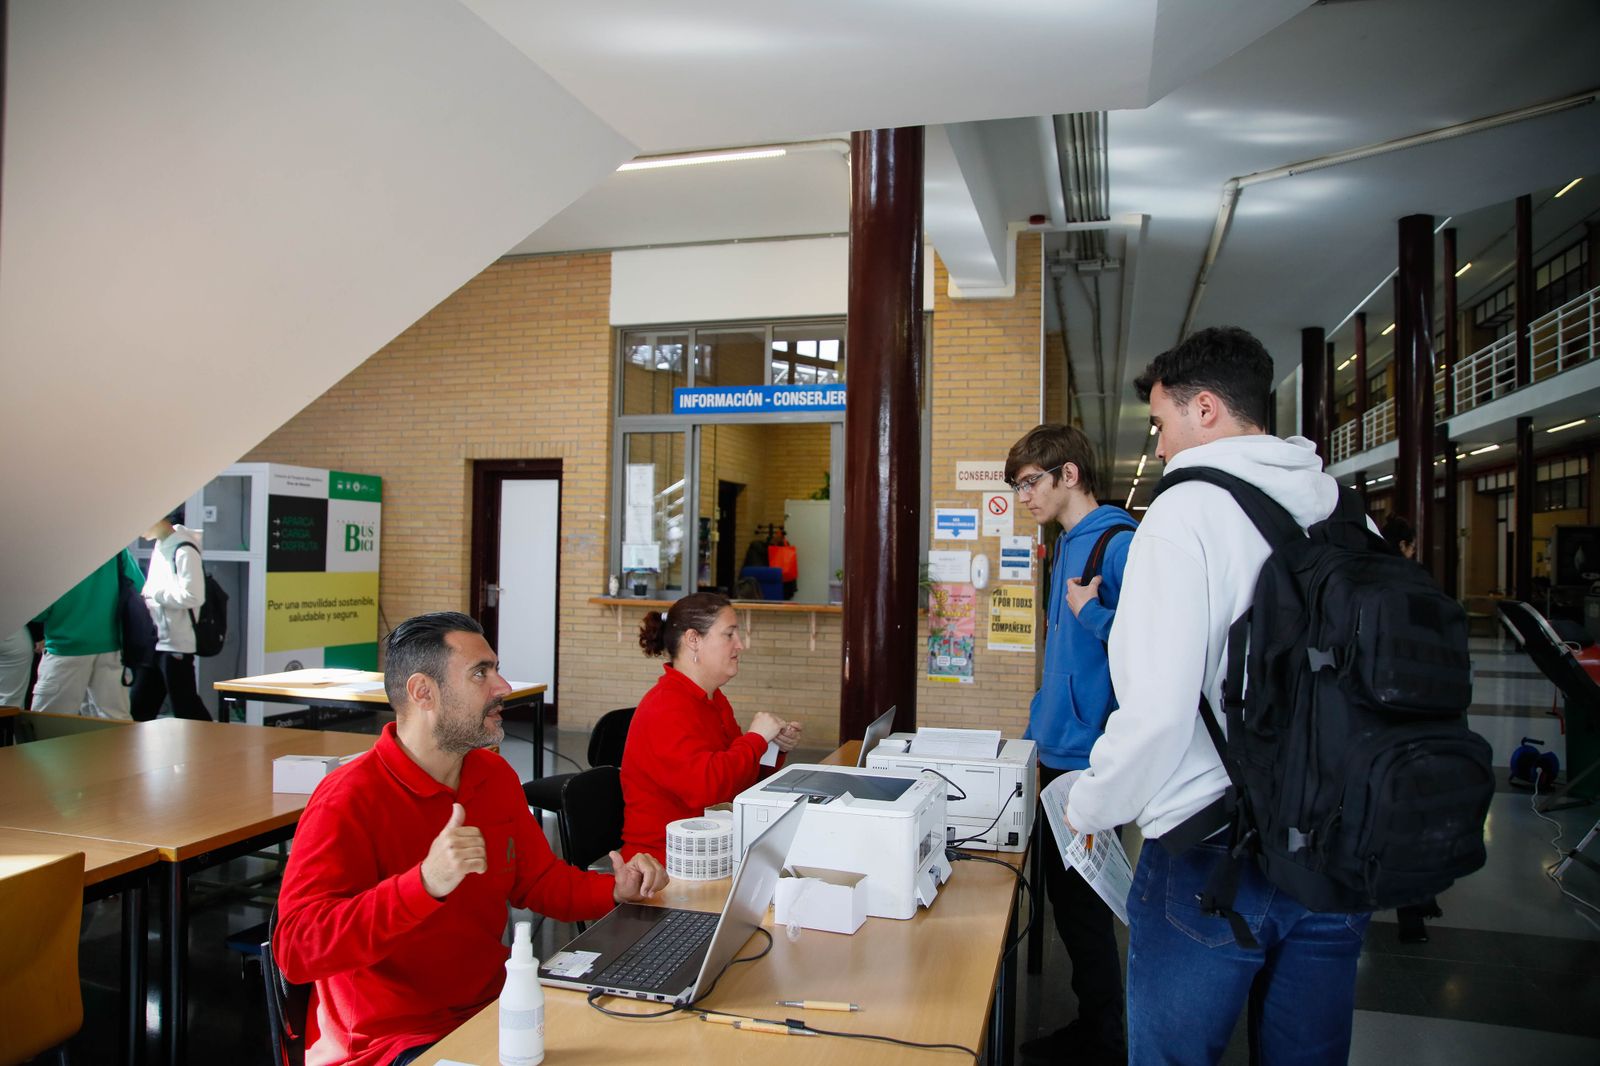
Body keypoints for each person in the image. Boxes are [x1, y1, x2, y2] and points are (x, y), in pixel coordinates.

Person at [1066, 326, 1370, 1065]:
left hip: (1215, 853)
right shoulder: (1341, 509)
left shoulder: (1184, 512)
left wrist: (1090, 805)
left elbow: (1159, 709)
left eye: (1163, 424)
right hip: (1339, 842)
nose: (1160, 447)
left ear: (1205, 410)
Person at [274, 612, 668, 1066]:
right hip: (391, 1043)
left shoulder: (492, 774)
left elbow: (538, 882)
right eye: (481, 673)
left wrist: (615, 890)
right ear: (423, 692)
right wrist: (422, 884)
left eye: (495, 669)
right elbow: (296, 950)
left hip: (493, 1010)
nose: (502, 686)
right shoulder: (348, 797)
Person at [1004, 423, 1133, 1065]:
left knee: (1084, 909)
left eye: (1031, 482)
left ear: (1068, 475)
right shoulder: (1063, 546)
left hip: (1087, 760)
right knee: (1067, 904)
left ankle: (1103, 1039)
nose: (1024, 497)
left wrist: (1092, 613)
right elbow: (1061, 660)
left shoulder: (1115, 542)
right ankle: (1094, 1025)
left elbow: (1151, 647)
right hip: (1053, 751)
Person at [620, 592, 801, 861]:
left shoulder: (712, 697)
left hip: (707, 847)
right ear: (693, 640)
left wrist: (770, 746)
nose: (740, 645)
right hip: (664, 863)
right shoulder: (665, 707)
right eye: (729, 635)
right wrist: (755, 739)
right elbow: (709, 791)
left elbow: (737, 779)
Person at [1378, 513, 1446, 944]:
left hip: (1374, 708)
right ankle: (1414, 906)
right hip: (1419, 707)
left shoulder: (1360, 576)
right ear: (1407, 545)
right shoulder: (1420, 583)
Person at [31, 550, 146, 718]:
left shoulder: (54, 551)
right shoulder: (115, 548)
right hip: (112, 646)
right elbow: (138, 585)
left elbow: (38, 611)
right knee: (114, 720)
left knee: (49, 723)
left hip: (66, 646)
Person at [130, 511, 212, 721]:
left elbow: (194, 596)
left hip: (176, 643)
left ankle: (211, 746)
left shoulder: (183, 549)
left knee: (186, 707)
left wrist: (154, 594)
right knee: (140, 708)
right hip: (156, 640)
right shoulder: (161, 545)